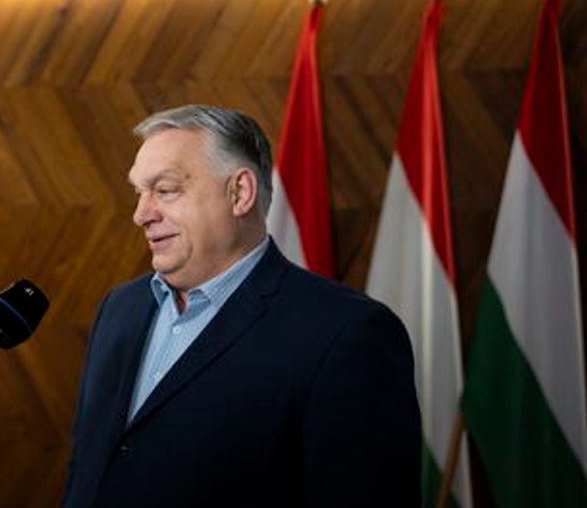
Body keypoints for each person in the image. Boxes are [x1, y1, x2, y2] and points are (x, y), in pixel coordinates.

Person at [63, 105, 419, 508]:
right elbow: (87, 469)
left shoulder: (347, 333)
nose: (141, 214)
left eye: (165, 190)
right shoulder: (120, 307)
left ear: (240, 193)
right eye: (139, 193)